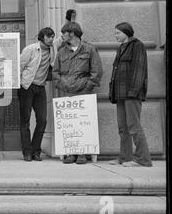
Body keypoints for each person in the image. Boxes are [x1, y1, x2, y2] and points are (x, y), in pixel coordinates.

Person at [52, 22, 103, 164]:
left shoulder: (89, 49)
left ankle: (82, 153)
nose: (61, 36)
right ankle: (71, 152)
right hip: (66, 93)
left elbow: (96, 71)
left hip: (83, 92)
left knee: (83, 123)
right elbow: (55, 72)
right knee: (69, 124)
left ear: (72, 33)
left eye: (63, 33)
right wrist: (62, 84)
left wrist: (87, 86)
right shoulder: (62, 51)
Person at [108, 22, 152, 167]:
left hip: (131, 93)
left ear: (126, 32)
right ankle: (125, 157)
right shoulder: (121, 47)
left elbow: (139, 69)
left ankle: (143, 159)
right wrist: (112, 92)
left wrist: (133, 91)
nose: (116, 36)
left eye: (118, 33)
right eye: (115, 33)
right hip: (120, 94)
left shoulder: (137, 45)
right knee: (122, 127)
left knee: (134, 126)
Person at [19, 27, 58, 162]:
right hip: (27, 87)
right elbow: (19, 66)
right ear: (42, 37)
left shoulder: (53, 50)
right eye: (49, 36)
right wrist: (20, 84)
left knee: (42, 120)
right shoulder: (31, 49)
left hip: (40, 88)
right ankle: (27, 152)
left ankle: (36, 151)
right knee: (25, 120)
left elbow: (66, 38)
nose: (51, 39)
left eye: (52, 36)